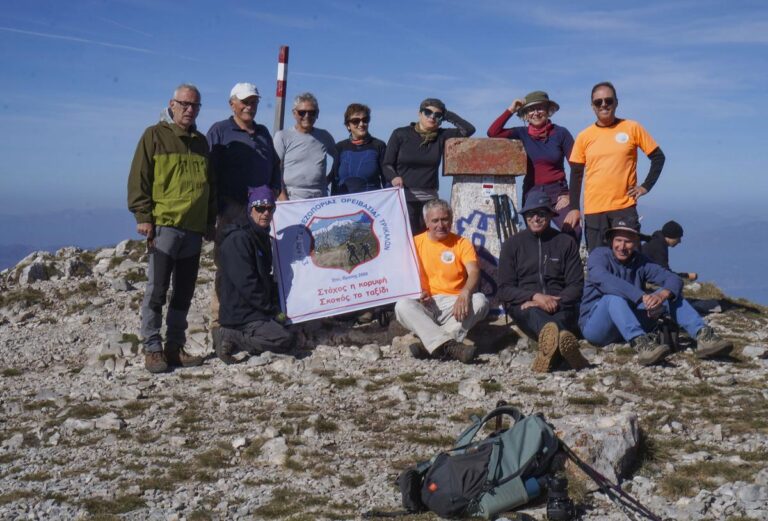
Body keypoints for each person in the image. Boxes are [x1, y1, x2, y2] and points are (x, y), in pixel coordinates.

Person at [127, 83, 215, 373]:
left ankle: (174, 347)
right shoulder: (154, 135)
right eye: (185, 104)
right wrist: (143, 215)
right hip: (164, 225)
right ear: (171, 104)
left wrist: (209, 222)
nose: (190, 110)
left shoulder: (201, 143)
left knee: (184, 292)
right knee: (157, 290)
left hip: (192, 228)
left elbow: (209, 187)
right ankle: (152, 348)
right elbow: (139, 176)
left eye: (195, 106)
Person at [579, 218, 732, 366]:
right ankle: (642, 345)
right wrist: (641, 297)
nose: (622, 246)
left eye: (628, 241)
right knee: (613, 298)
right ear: (611, 240)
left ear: (636, 242)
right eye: (618, 240)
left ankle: (703, 335)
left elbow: (673, 279)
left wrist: (662, 294)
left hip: (629, 320)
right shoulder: (599, 255)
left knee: (670, 295)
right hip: (597, 328)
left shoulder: (640, 261)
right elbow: (603, 279)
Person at [206, 82, 281, 332]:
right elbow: (207, 173)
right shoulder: (219, 131)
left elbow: (275, 166)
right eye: (245, 102)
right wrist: (213, 209)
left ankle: (254, 314)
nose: (249, 106)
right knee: (226, 264)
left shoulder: (262, 133)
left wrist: (274, 193)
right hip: (230, 211)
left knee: (258, 263)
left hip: (260, 212)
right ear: (232, 104)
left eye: (253, 102)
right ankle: (221, 319)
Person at [565, 81, 666, 251]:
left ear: (616, 102)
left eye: (608, 100)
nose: (603, 104)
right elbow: (576, 174)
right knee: (598, 262)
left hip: (624, 207)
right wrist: (574, 208)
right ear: (592, 106)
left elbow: (658, 157)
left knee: (630, 260)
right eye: (598, 102)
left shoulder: (632, 127)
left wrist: (645, 186)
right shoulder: (584, 136)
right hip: (594, 210)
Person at [497, 188, 588, 373]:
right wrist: (536, 297)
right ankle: (566, 347)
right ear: (525, 216)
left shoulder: (565, 242)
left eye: (540, 213)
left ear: (549, 214)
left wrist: (554, 301)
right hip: (527, 307)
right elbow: (504, 289)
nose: (535, 218)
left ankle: (551, 350)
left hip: (560, 305)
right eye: (530, 214)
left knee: (562, 316)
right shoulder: (512, 245)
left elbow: (577, 285)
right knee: (536, 316)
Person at [394, 199, 489, 363]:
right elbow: (402, 275)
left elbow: (473, 271)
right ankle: (450, 346)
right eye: (435, 220)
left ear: (451, 220)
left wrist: (465, 293)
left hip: (455, 304)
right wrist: (416, 292)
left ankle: (432, 346)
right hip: (425, 303)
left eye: (445, 219)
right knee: (402, 305)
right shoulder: (414, 243)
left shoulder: (462, 243)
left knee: (480, 300)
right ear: (426, 222)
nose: (441, 225)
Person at [213, 186, 292, 363]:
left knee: (287, 329)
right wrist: (271, 310)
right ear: (250, 209)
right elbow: (247, 284)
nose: (265, 213)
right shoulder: (238, 239)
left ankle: (235, 338)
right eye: (260, 208)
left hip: (253, 310)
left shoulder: (259, 235)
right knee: (284, 340)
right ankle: (231, 336)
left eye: (270, 208)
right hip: (241, 313)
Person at [487, 91, 580, 240]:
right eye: (531, 109)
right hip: (532, 192)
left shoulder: (561, 133)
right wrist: (511, 109)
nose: (535, 113)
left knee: (573, 230)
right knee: (536, 235)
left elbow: (576, 167)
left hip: (558, 192)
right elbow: (492, 132)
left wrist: (569, 195)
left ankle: (567, 263)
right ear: (525, 114)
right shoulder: (521, 133)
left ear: (548, 111)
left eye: (540, 108)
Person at [383, 98, 475, 234]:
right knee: (409, 239)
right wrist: (394, 177)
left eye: (437, 115)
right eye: (428, 112)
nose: (432, 117)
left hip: (430, 200)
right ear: (419, 114)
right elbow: (387, 164)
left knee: (430, 239)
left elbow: (468, 130)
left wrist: (447, 114)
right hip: (404, 197)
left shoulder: (442, 136)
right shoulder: (401, 134)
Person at [274, 92, 337, 200]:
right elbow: (275, 169)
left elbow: (338, 158)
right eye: (302, 112)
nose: (307, 116)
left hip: (320, 197)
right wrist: (283, 198)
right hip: (292, 197)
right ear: (294, 113)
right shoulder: (282, 136)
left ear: (317, 113)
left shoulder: (324, 136)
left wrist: (329, 178)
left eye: (311, 112)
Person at [330, 103, 387, 195]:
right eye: (355, 121)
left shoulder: (379, 145)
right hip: (345, 205)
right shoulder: (340, 147)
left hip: (372, 205)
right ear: (348, 125)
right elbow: (335, 180)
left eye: (365, 120)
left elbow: (386, 180)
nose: (361, 124)